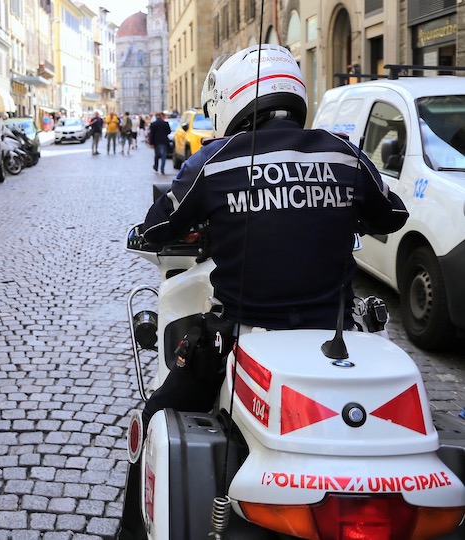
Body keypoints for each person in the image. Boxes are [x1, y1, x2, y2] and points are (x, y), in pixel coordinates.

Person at [137, 45, 409, 431]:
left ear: (230, 97)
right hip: (337, 333)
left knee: (157, 418)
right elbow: (393, 215)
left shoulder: (214, 161)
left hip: (243, 335)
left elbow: (155, 228)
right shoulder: (344, 153)